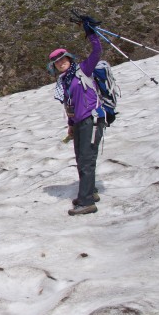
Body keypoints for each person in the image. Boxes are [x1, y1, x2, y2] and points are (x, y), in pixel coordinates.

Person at [48, 19, 105, 216]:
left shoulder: (83, 70)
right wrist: (71, 125)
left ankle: (86, 202)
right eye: (57, 62)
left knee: (86, 159)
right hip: (79, 122)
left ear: (70, 59)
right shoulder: (64, 81)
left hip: (92, 119)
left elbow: (97, 52)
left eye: (63, 59)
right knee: (82, 159)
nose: (61, 63)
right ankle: (89, 192)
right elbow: (69, 106)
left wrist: (90, 34)